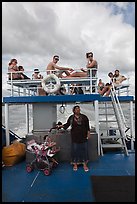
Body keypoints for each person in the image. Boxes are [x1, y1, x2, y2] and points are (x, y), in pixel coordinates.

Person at [57, 105, 90, 172]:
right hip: (75, 137)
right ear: (74, 110)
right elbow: (67, 125)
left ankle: (84, 164)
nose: (78, 110)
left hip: (83, 137)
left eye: (79, 109)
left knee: (84, 150)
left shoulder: (84, 117)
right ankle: (75, 164)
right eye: (76, 109)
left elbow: (87, 127)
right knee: (75, 150)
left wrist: (88, 134)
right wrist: (61, 126)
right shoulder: (71, 118)